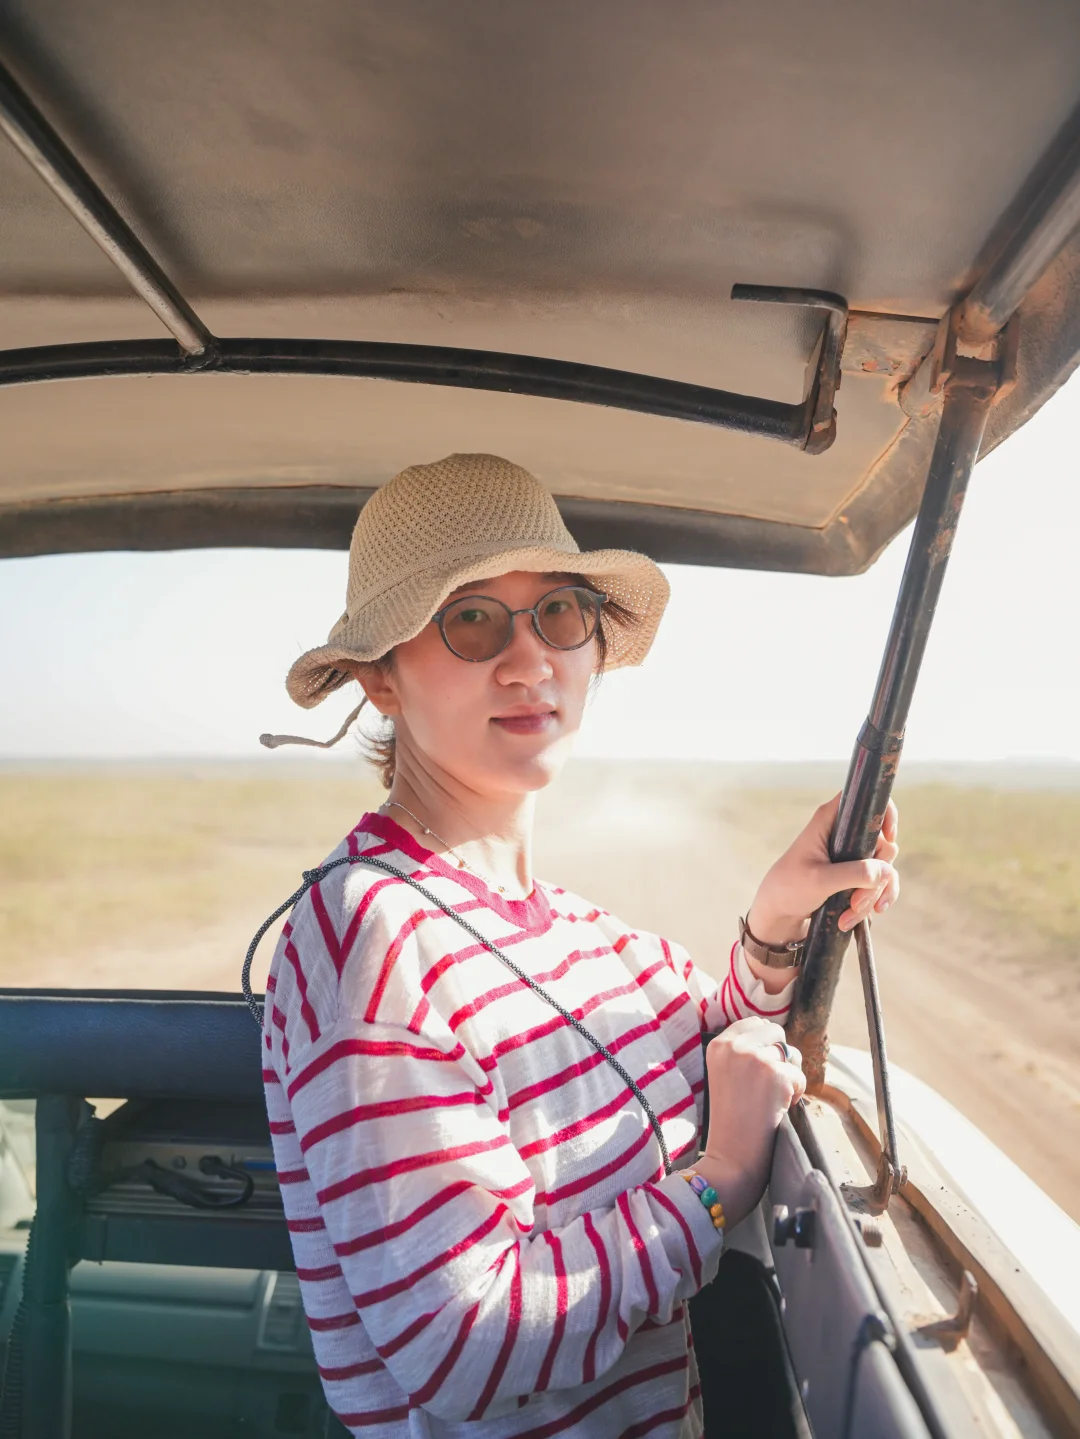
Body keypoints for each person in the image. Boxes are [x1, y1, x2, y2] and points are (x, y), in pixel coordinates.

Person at [260, 454, 900, 1438]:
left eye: (559, 613)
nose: (530, 662)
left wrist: (776, 922)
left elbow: (719, 1051)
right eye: (472, 619)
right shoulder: (371, 935)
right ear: (379, 677)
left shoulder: (577, 928)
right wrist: (721, 1179)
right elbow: (464, 1341)